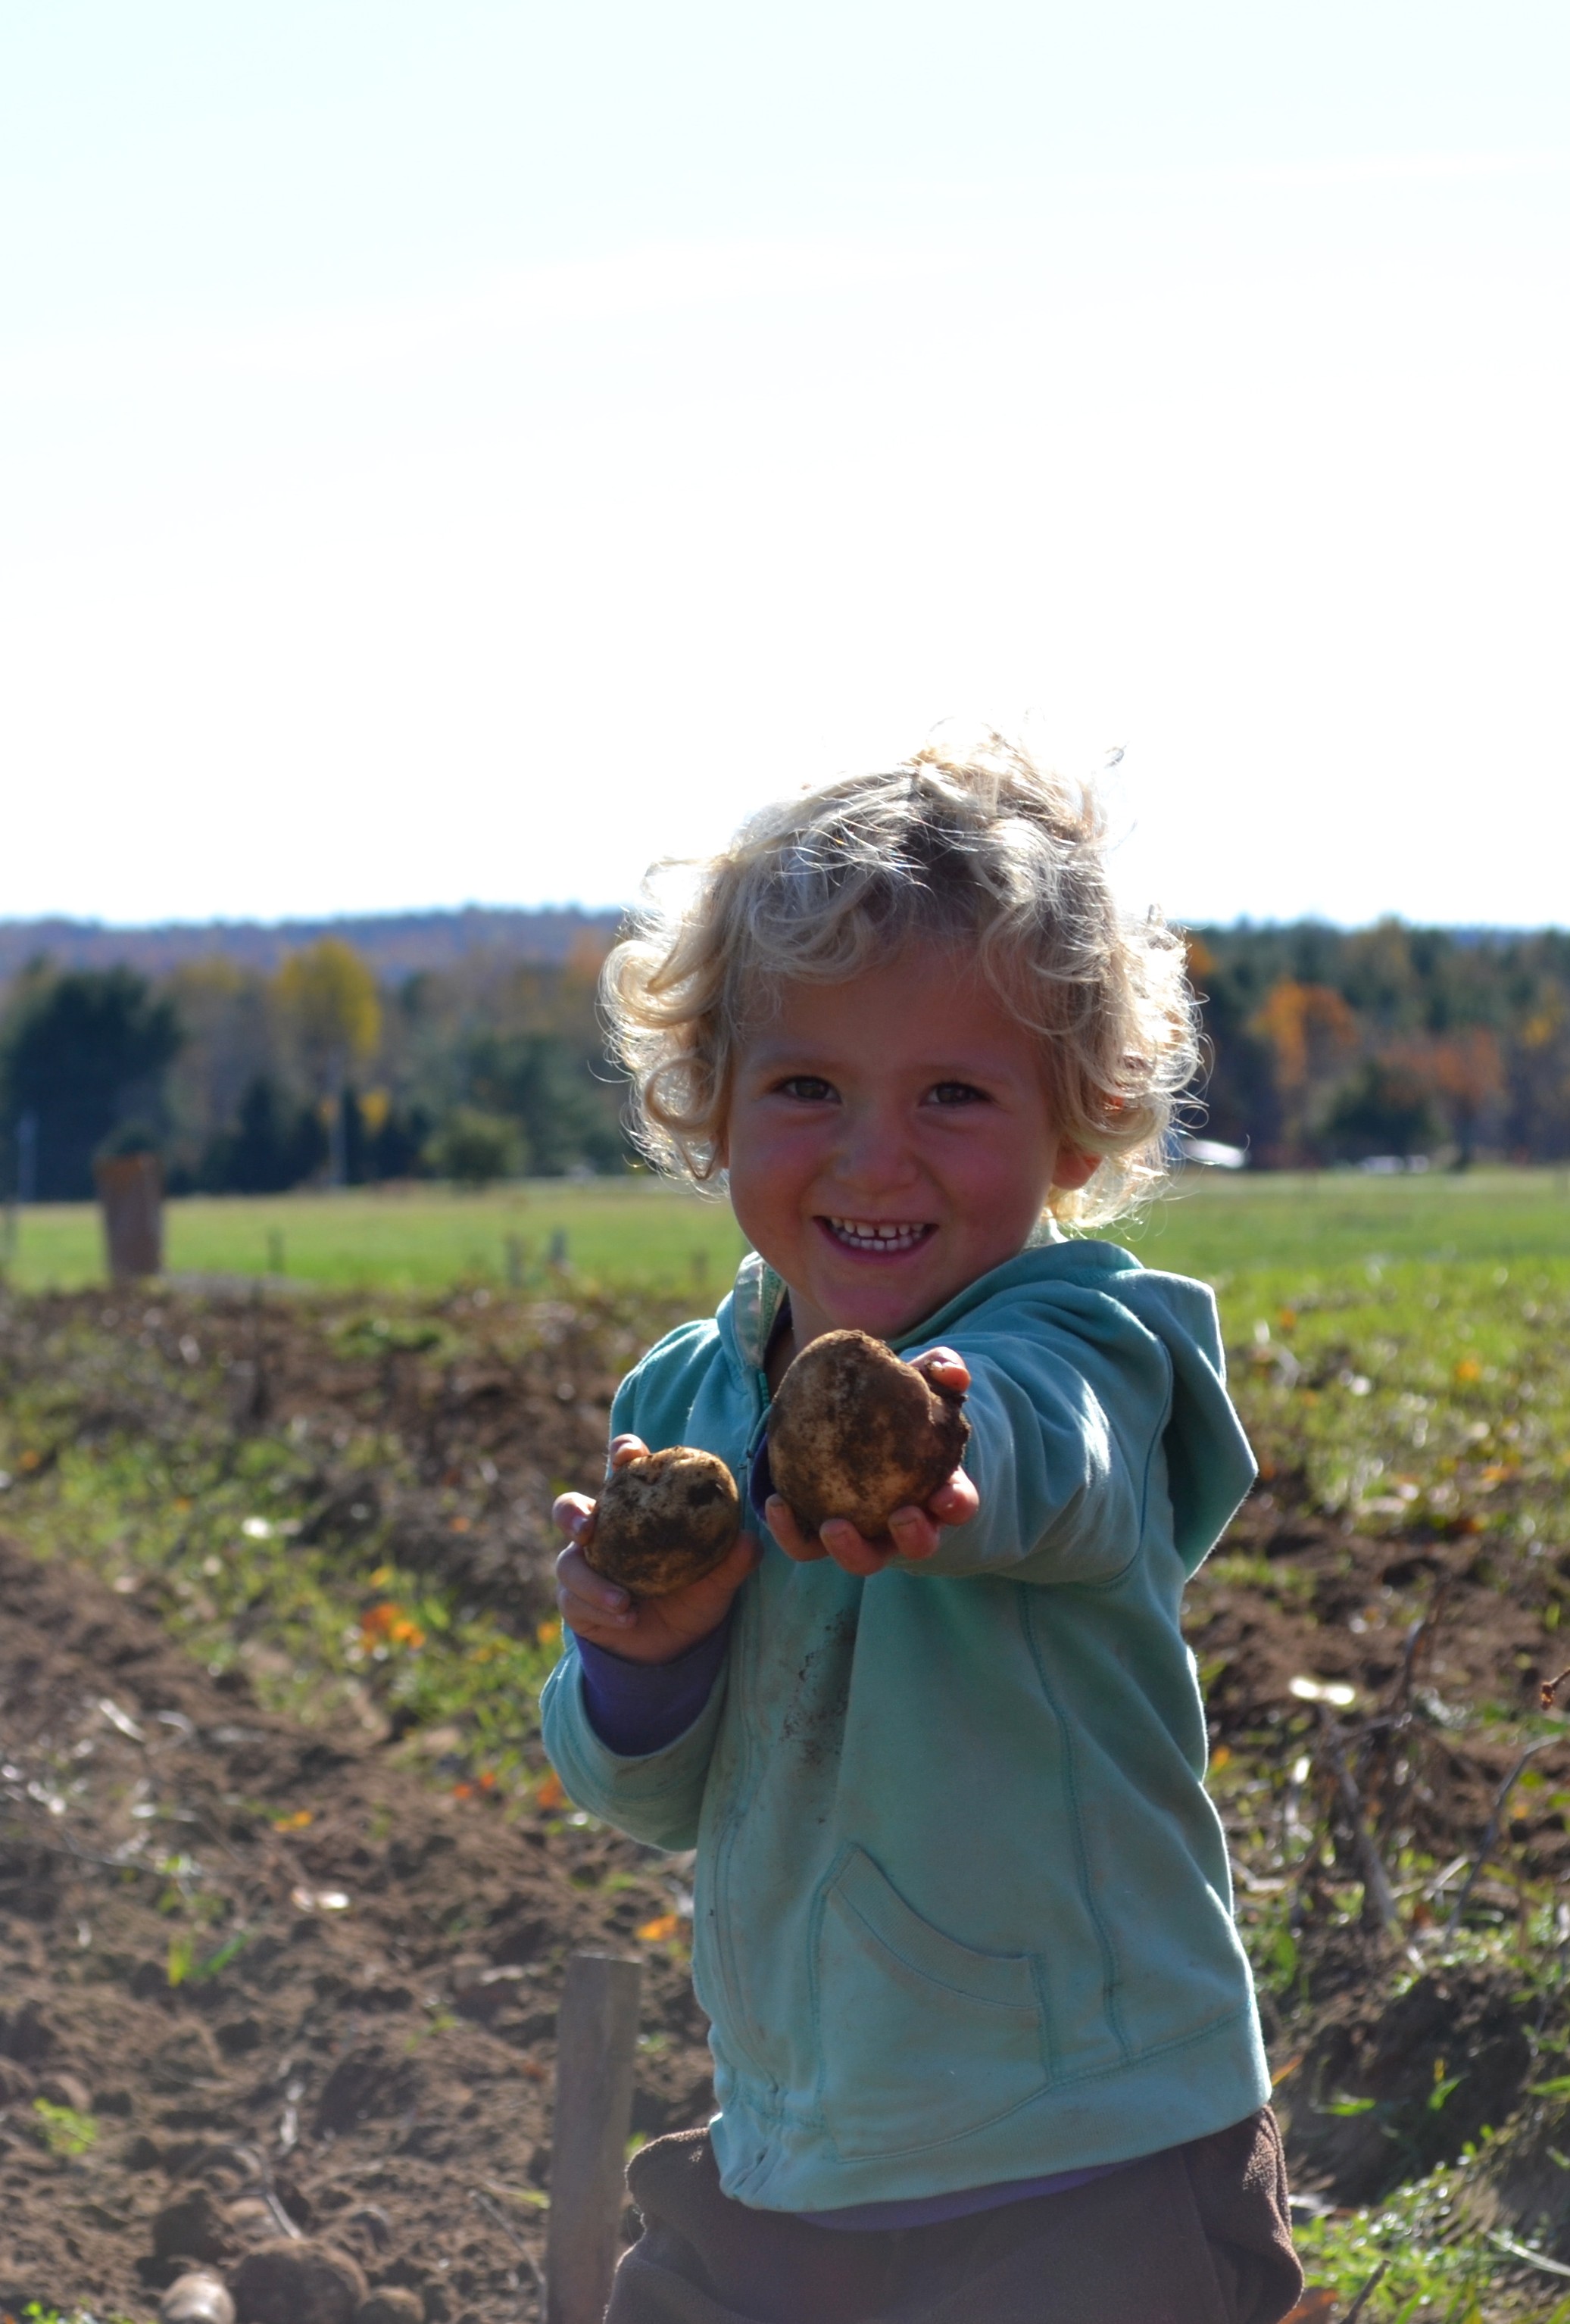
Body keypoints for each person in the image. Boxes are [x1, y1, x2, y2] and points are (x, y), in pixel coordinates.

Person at [540, 738, 1303, 2324]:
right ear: (710, 1104)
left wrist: (943, 1450)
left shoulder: (1085, 1338)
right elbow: (641, 1793)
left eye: (952, 1092)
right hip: (793, 2150)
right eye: (808, 1085)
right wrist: (641, 1663)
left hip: (1088, 2159)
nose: (875, 1151)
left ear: (1078, 1126)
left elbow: (1062, 1458)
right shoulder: (685, 1397)